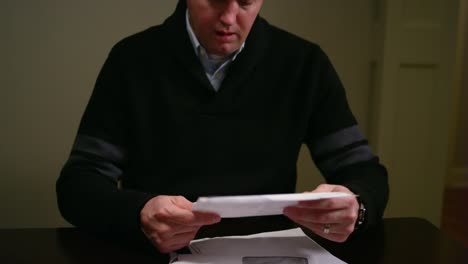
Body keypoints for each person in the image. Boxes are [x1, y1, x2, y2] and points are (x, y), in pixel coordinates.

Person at [56, 0, 389, 255]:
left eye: (245, 2)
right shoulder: (132, 60)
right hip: (156, 253)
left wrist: (356, 206)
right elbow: (78, 185)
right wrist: (138, 213)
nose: (229, 18)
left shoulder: (304, 64)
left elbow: (363, 172)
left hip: (268, 253)